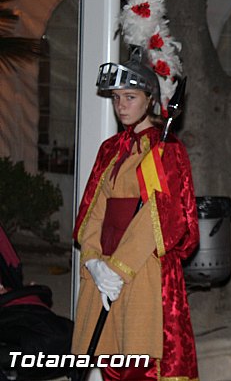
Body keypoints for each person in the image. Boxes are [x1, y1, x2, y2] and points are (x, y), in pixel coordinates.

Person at [71, 47, 199, 380]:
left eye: (130, 96)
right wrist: (94, 260)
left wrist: (119, 268)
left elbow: (162, 213)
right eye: (116, 98)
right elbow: (95, 208)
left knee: (140, 366)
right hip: (105, 268)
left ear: (150, 100)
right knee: (108, 359)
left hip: (142, 267)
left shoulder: (164, 149)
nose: (121, 105)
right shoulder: (110, 149)